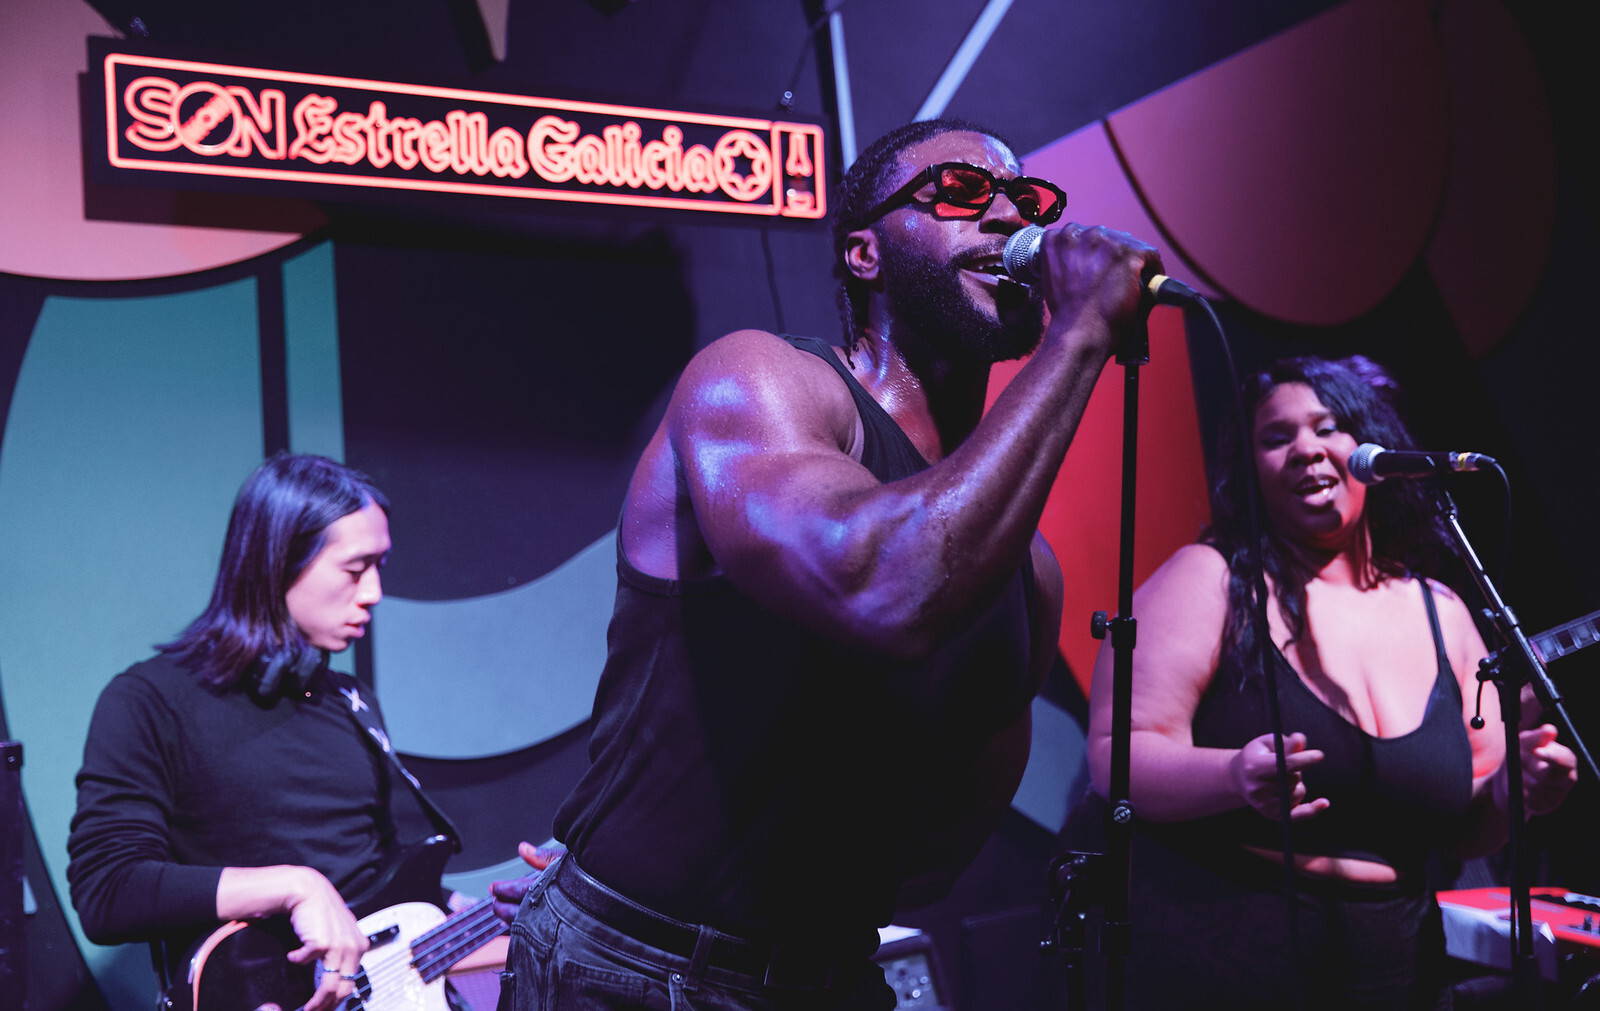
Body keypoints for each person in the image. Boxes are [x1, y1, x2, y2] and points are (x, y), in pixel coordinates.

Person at [491, 119, 1163, 1010]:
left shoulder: (1028, 573)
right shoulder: (760, 382)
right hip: (632, 968)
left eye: (1024, 199)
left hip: (829, 978)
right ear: (864, 253)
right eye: (962, 192)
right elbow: (881, 586)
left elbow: (936, 852)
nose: (1008, 216)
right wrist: (1077, 337)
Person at [1084, 355, 1578, 1009]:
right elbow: (1116, 754)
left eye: (1327, 427)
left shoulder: (1443, 611)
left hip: (1402, 966)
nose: (1306, 449)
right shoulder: (1209, 580)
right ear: (1250, 470)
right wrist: (1232, 775)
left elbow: (1469, 826)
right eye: (1276, 437)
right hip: (1227, 950)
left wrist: (1517, 791)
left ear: (1373, 451)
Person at [68, 453, 399, 1011]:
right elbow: (108, 890)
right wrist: (296, 885)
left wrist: (493, 912)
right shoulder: (148, 700)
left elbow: (393, 884)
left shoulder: (352, 701)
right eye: (354, 569)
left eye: (379, 567)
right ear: (278, 563)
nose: (374, 593)